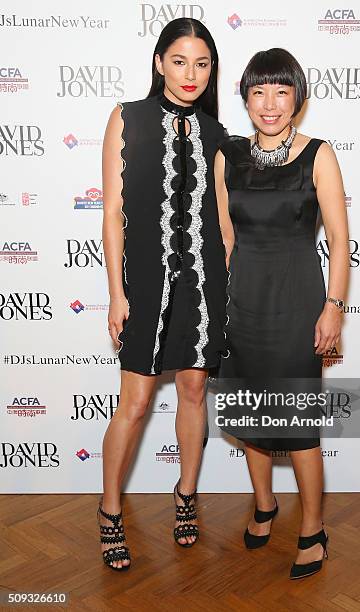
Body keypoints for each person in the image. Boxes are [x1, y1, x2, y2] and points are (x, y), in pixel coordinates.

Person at [215, 48, 349, 579]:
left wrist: (333, 308)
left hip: (297, 301)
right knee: (251, 414)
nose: (269, 104)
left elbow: (339, 240)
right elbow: (226, 238)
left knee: (297, 426)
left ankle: (313, 528)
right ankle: (265, 505)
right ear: (246, 97)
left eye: (281, 91)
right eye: (258, 92)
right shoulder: (228, 155)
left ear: (298, 96)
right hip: (242, 300)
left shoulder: (319, 154)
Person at [99, 17, 228, 570]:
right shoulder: (127, 118)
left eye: (202, 63)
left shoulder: (219, 135)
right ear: (159, 63)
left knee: (195, 389)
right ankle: (109, 510)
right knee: (135, 402)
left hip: (206, 282)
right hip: (145, 285)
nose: (191, 73)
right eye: (180, 61)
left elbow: (224, 222)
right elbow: (112, 215)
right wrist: (115, 292)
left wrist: (233, 290)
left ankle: (186, 496)